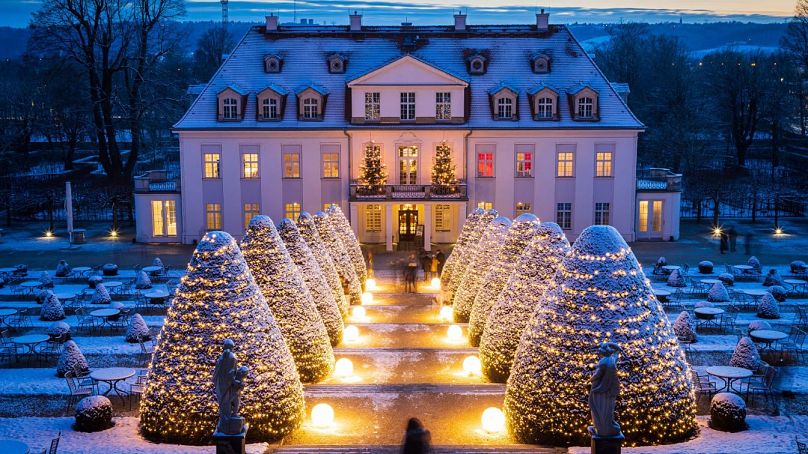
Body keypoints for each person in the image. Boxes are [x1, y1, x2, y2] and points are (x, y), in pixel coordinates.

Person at [589, 342, 622, 438]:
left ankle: (602, 429)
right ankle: (607, 426)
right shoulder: (612, 359)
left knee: (598, 408)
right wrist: (610, 343)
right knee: (609, 409)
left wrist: (590, 379)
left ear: (602, 353)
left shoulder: (603, 362)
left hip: (600, 389)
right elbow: (618, 349)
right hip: (611, 389)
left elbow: (597, 375)